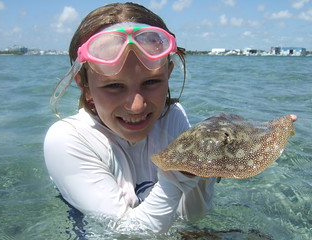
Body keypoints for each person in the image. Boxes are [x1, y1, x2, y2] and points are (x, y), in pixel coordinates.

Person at [44, 2, 297, 234]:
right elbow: (127, 233)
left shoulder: (172, 116)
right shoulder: (67, 139)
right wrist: (176, 173)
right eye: (114, 86)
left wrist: (203, 168)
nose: (137, 105)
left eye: (152, 82)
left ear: (169, 74)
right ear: (85, 85)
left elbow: (192, 214)